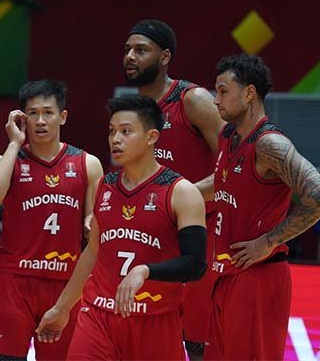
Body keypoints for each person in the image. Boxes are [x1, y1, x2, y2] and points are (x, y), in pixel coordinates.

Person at [36, 94, 207, 360]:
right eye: (112, 131)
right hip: (98, 316)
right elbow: (93, 252)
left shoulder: (181, 192)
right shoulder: (104, 186)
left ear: (151, 137)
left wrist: (145, 271)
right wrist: (62, 308)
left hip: (155, 320)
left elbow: (195, 264)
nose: (115, 139)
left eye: (126, 131)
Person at [203, 54, 320, 360]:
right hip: (225, 274)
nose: (216, 100)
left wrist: (269, 241)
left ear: (249, 93)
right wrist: (172, 194)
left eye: (223, 91)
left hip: (257, 277)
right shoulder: (229, 136)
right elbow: (221, 183)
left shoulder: (270, 144)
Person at [122, 19, 225, 359]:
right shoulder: (133, 110)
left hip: (198, 235)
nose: (130, 56)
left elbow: (233, 169)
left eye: (141, 50)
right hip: (151, 236)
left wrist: (180, 200)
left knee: (195, 343)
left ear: (165, 56)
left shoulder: (192, 100)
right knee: (145, 335)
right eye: (127, 50)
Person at [0, 79, 103, 360]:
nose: (40, 121)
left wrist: (92, 221)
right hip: (14, 282)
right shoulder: (5, 161)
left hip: (65, 284)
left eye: (48, 112)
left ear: (63, 116)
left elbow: (93, 228)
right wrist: (14, 144)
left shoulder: (87, 164)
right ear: (22, 118)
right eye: (32, 113)